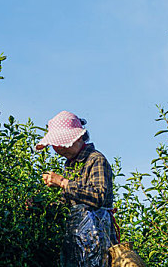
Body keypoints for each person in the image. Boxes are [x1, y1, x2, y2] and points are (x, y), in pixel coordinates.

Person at [35, 111, 117, 267]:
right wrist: (40, 206)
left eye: (64, 143)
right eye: (56, 145)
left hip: (98, 236)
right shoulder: (71, 166)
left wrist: (64, 183)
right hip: (77, 240)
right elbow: (65, 205)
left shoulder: (95, 159)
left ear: (79, 137)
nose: (60, 148)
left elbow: (98, 196)